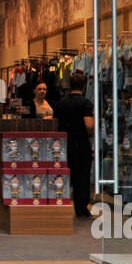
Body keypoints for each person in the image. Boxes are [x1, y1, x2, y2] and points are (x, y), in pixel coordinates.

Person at [52, 71, 95, 218]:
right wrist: (93, 131)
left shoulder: (60, 104)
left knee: (63, 176)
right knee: (81, 177)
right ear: (84, 86)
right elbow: (88, 124)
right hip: (81, 144)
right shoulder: (85, 103)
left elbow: (55, 124)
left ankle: (59, 206)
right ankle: (81, 209)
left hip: (63, 145)